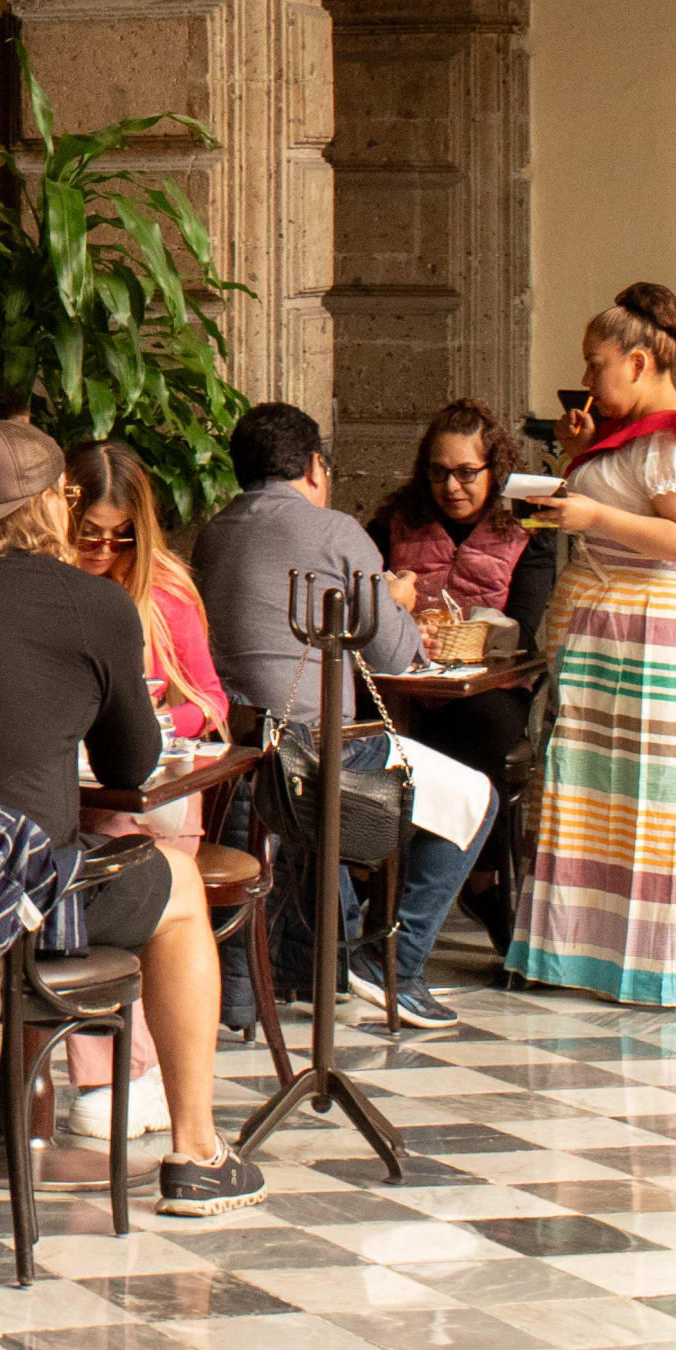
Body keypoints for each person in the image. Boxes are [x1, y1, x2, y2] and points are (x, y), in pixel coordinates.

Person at [0, 417, 266, 1222]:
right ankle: (198, 1152)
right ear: (51, 506)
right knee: (177, 889)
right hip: (17, 906)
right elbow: (132, 768)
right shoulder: (92, 602)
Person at [195, 403, 483, 1033]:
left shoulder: (213, 531)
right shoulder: (336, 531)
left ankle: (341, 954)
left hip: (235, 753)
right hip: (317, 753)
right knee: (476, 797)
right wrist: (398, 599)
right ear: (313, 466)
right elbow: (394, 655)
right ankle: (393, 966)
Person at [509, 283, 676, 1009]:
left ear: (638, 362)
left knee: (652, 803)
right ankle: (583, 952)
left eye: (596, 363)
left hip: (651, 629)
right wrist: (579, 454)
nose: (589, 377)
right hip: (608, 626)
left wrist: (593, 511)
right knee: (594, 790)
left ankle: (655, 963)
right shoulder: (633, 429)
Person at [60, 442, 225, 1139]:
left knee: (118, 854)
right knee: (61, 863)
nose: (102, 550)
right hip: (71, 792)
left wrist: (158, 716)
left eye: (118, 537)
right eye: (88, 535)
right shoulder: (48, 587)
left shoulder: (166, 591)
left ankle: (119, 1073)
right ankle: (113, 1071)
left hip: (152, 792)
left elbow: (211, 702)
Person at [361, 401, 554, 950]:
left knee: (488, 734)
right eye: (439, 473)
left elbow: (526, 622)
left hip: (489, 685)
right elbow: (371, 597)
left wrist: (474, 633)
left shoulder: (524, 528)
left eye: (467, 472)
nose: (452, 486)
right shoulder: (395, 521)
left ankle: (483, 875)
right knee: (379, 738)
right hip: (406, 684)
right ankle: (380, 879)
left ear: (494, 470)